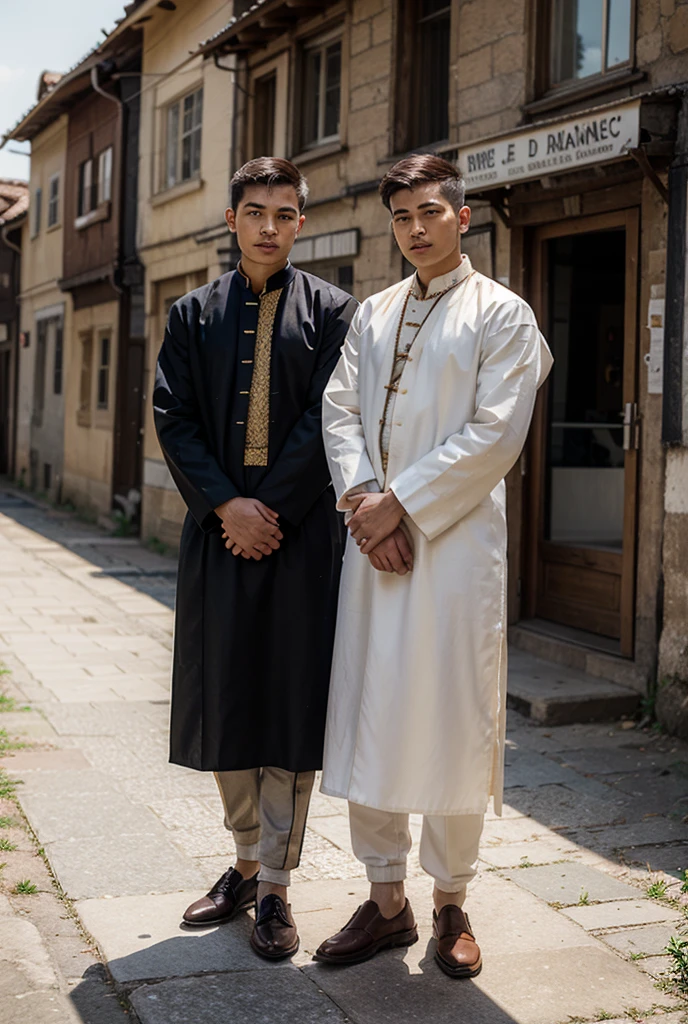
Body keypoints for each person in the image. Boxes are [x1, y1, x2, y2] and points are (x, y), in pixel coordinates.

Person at [316, 154, 552, 976]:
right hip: (373, 546)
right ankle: (386, 903)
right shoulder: (374, 314)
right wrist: (363, 504)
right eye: (402, 218)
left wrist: (401, 503)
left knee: (453, 716)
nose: (415, 229)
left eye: (430, 213)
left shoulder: (504, 316)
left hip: (453, 554)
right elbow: (338, 408)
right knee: (372, 708)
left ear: (462, 215)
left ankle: (453, 901)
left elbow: (495, 435)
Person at [153, 157, 357, 960]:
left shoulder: (335, 313)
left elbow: (328, 420)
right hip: (217, 537)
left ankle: (275, 884)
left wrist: (270, 511)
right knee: (225, 698)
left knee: (289, 705)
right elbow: (174, 419)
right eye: (254, 211)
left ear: (300, 223)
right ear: (231, 220)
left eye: (283, 212)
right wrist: (227, 508)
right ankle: (241, 862)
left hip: (301, 539)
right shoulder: (191, 315)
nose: (268, 225)